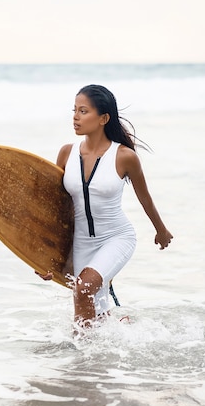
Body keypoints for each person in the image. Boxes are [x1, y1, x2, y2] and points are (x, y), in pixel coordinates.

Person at [37, 84, 173, 328]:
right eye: (74, 110)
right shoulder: (66, 153)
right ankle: (113, 337)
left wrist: (160, 230)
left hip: (116, 238)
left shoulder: (124, 156)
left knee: (83, 289)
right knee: (94, 314)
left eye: (83, 111)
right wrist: (46, 257)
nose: (75, 117)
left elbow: (145, 198)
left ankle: (84, 360)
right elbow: (57, 209)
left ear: (104, 118)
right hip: (80, 243)